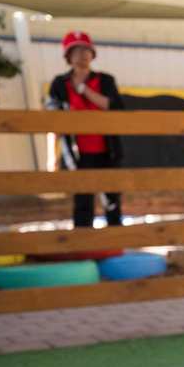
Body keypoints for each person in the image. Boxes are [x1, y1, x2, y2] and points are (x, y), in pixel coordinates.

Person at [47, 31, 124, 228]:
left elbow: (114, 106)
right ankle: (83, 243)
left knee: (112, 200)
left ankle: (115, 242)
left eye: (86, 50)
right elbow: (51, 116)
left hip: (107, 151)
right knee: (83, 201)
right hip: (77, 154)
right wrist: (53, 156)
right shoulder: (59, 83)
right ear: (68, 56)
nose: (82, 54)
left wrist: (84, 90)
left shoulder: (105, 80)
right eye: (77, 50)